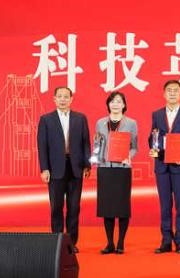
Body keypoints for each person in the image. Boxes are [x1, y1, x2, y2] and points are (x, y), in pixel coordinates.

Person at [36, 86, 91, 251]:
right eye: (59, 96)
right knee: (56, 207)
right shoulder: (46, 120)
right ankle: (57, 242)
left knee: (74, 208)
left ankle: (71, 243)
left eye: (66, 96)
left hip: (76, 168)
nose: (62, 99)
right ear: (54, 99)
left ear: (71, 99)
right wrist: (44, 168)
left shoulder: (80, 118)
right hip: (55, 169)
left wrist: (87, 165)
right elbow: (42, 146)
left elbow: (86, 144)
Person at [149, 80, 180, 254]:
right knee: (165, 205)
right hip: (162, 165)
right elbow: (152, 137)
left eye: (175, 90)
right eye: (169, 90)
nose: (172, 93)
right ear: (164, 94)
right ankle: (166, 241)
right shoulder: (157, 114)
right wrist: (153, 148)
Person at [93, 91, 138, 255]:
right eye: (112, 101)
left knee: (122, 207)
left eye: (119, 101)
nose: (115, 104)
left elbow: (134, 147)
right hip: (104, 169)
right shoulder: (100, 123)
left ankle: (120, 243)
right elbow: (97, 143)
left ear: (124, 105)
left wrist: (128, 157)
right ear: (108, 104)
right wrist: (96, 157)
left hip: (122, 169)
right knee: (107, 207)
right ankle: (110, 243)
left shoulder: (131, 123)